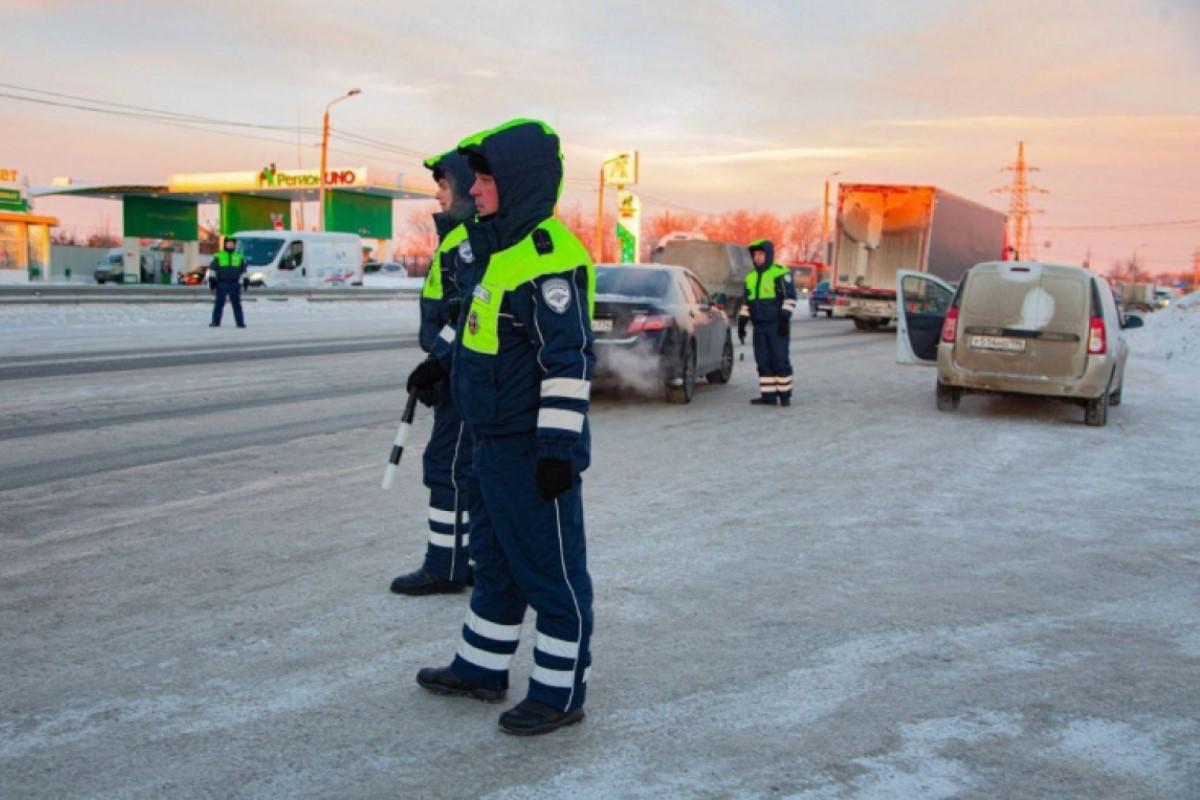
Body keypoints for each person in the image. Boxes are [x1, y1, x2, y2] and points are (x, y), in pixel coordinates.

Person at [407, 119, 596, 736]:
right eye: (476, 177)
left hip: (531, 451)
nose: (476, 188)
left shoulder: (549, 257)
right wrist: (440, 368)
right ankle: (482, 668)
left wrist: (557, 450)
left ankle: (560, 692)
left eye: (486, 177)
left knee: (551, 571)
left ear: (517, 182)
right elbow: (482, 335)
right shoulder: (497, 250)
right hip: (490, 442)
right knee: (495, 563)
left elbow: (566, 363)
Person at [390, 150, 477, 596]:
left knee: (447, 467)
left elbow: (465, 316)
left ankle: (445, 565)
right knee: (470, 470)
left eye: (444, 186)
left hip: (465, 374)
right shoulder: (458, 239)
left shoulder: (467, 243)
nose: (438, 196)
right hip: (457, 371)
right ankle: (470, 558)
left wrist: (436, 362)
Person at [737, 239, 796, 405]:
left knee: (779, 360)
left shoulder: (779, 272)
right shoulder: (750, 277)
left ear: (768, 255)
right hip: (759, 327)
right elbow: (747, 303)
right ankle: (768, 396)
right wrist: (742, 322)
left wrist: (784, 319)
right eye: (755, 254)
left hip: (776, 325)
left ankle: (784, 396)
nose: (757, 257)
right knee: (762, 361)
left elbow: (790, 298)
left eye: (761, 254)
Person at [208, 237, 246, 328]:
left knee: (236, 304)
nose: (230, 245)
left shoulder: (239, 256)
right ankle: (215, 322)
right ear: (225, 244)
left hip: (234, 283)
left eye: (232, 244)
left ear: (234, 245)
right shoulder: (219, 256)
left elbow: (244, 270)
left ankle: (240, 323)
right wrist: (212, 280)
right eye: (228, 243)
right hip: (221, 283)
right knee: (219, 304)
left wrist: (246, 279)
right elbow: (212, 268)